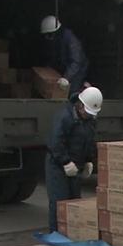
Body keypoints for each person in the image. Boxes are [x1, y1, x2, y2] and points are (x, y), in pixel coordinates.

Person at [46, 86, 103, 232]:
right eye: (86, 111)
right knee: (60, 201)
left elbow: (89, 141)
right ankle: (56, 233)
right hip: (58, 165)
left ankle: (73, 233)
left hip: (76, 165)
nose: (88, 115)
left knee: (74, 201)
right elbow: (56, 142)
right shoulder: (65, 117)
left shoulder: (89, 120)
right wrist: (65, 161)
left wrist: (89, 160)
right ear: (80, 104)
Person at [40, 15, 89, 95]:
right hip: (65, 68)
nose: (47, 37)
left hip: (77, 71)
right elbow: (54, 56)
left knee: (71, 92)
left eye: (49, 34)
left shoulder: (71, 39)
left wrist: (66, 78)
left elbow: (76, 62)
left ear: (55, 31)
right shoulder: (57, 39)